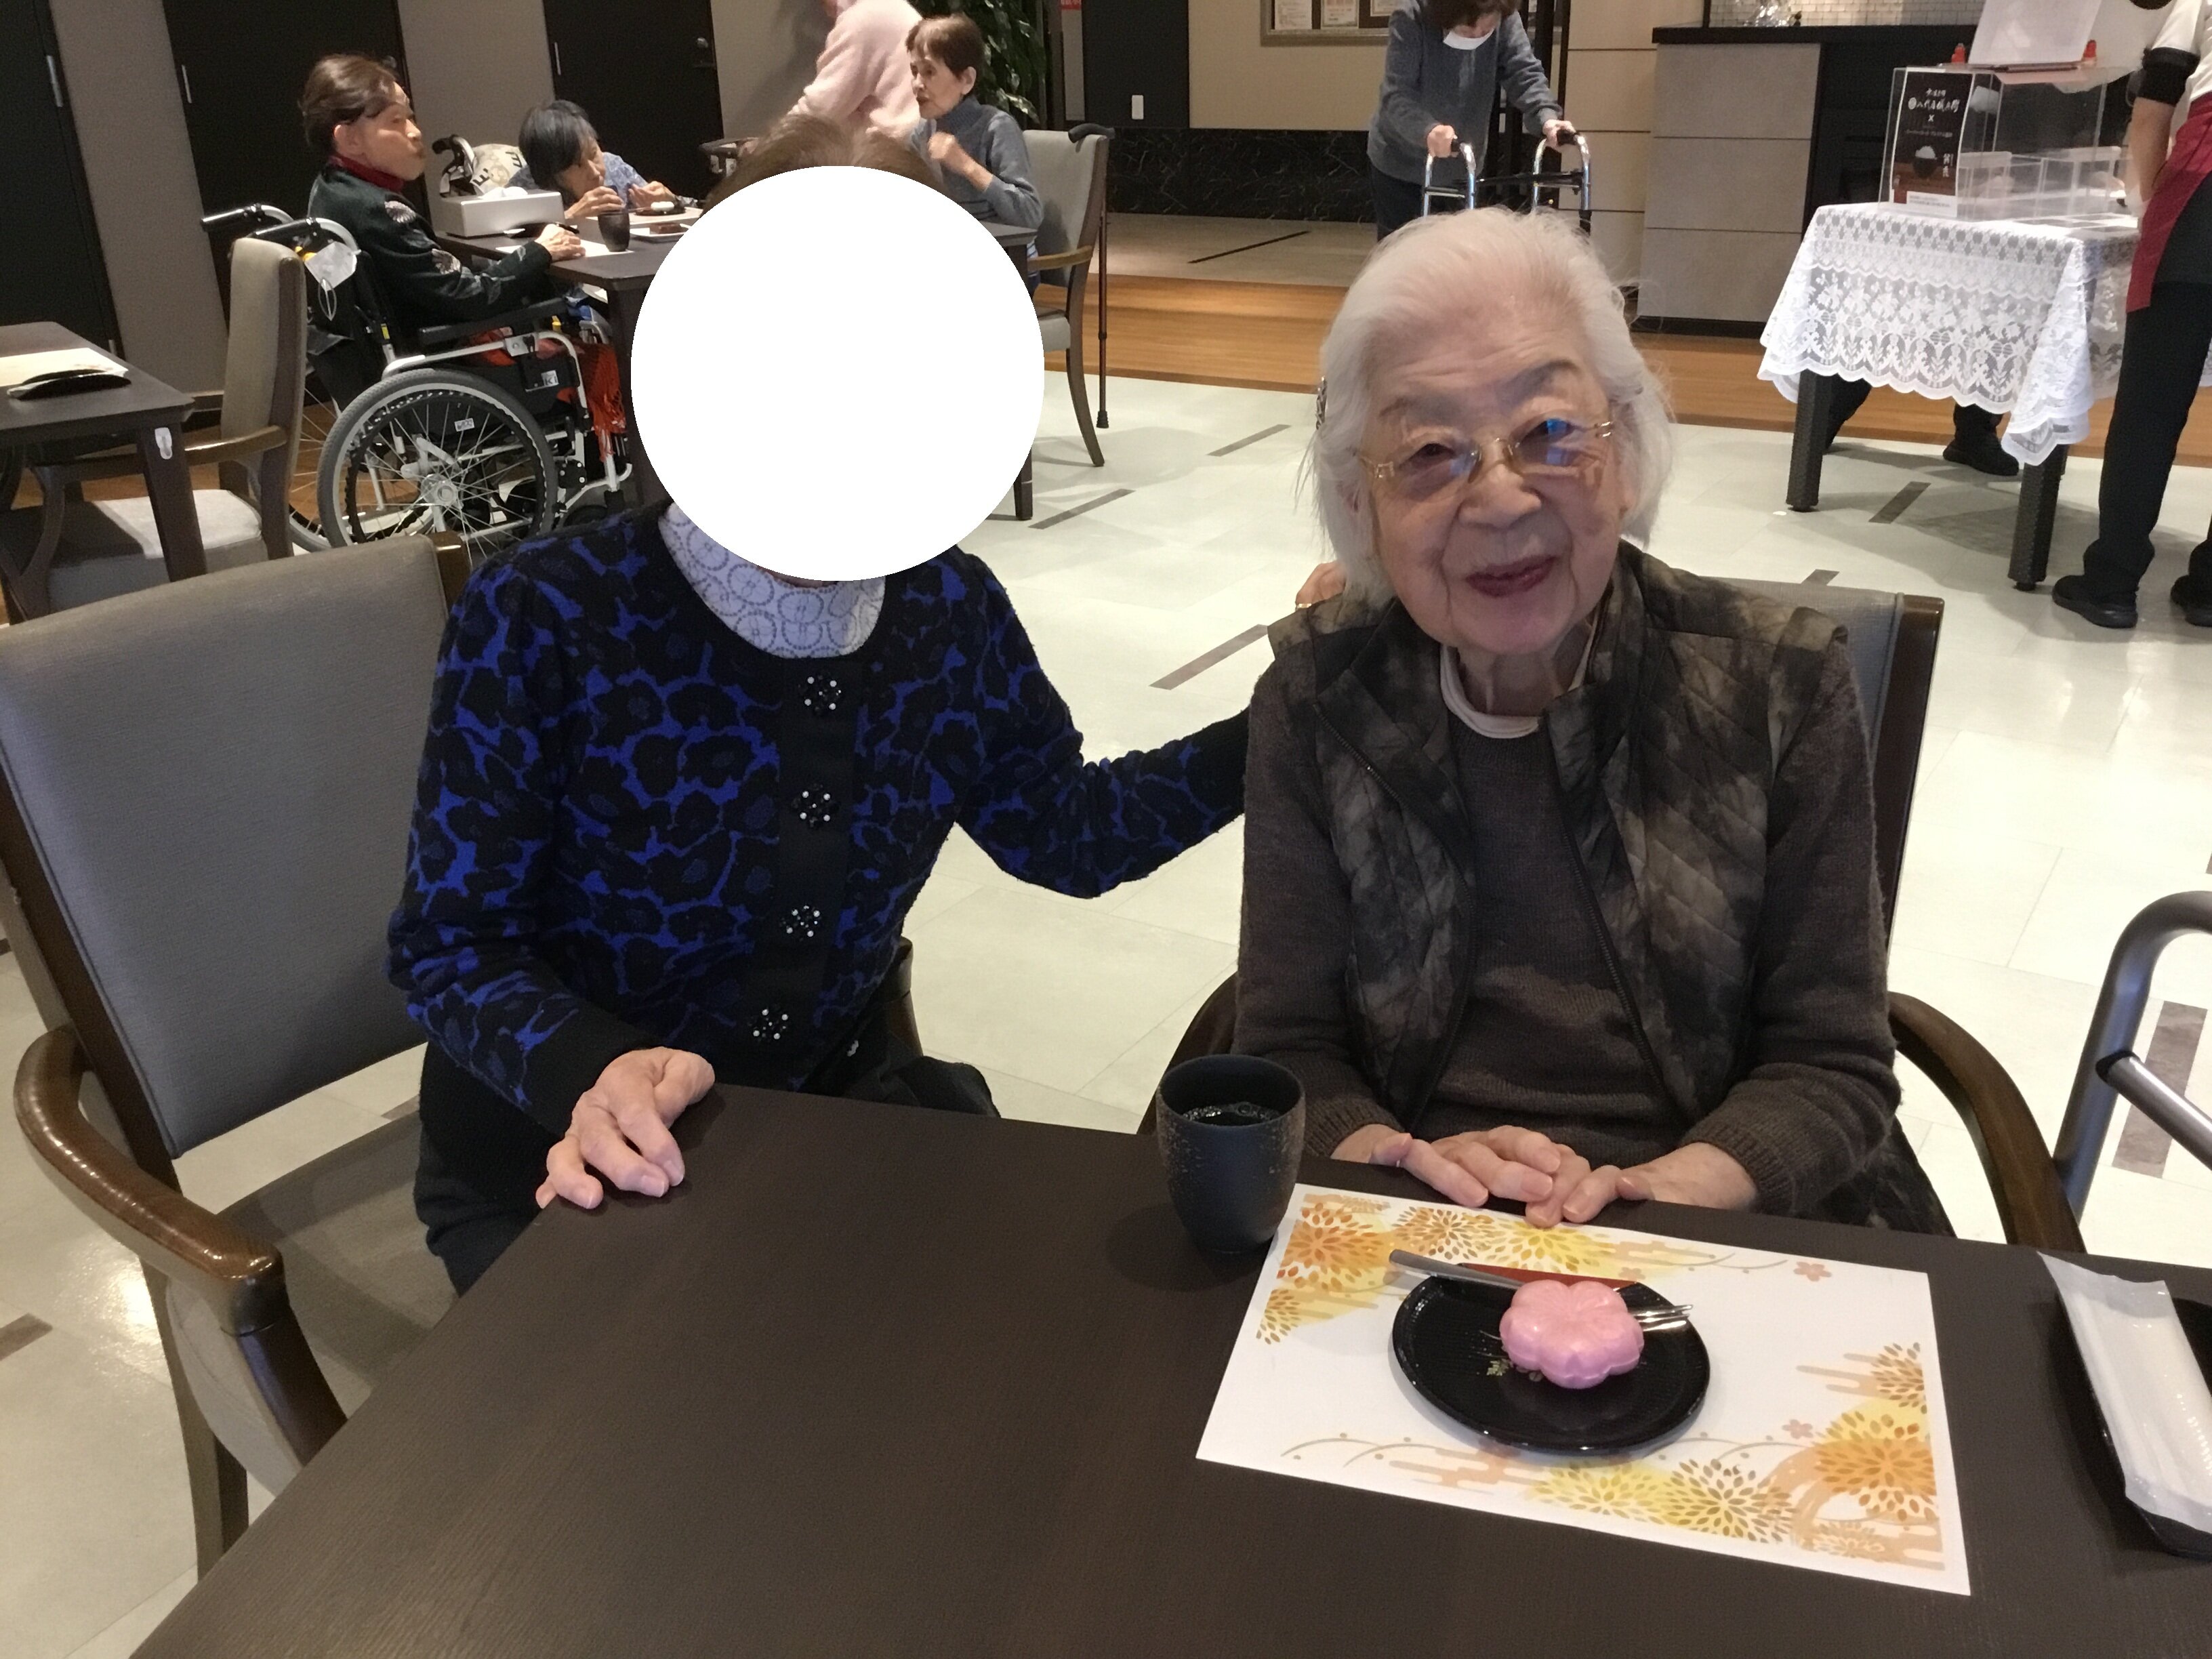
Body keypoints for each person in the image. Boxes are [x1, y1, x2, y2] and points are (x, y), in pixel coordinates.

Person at [388, 116, 1250, 1293]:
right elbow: (451, 944)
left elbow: (1067, 832)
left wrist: (1280, 722)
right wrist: (593, 1068)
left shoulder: (946, 610)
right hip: (562, 1156)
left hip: (817, 1124)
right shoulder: (544, 617)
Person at [1237, 205, 1947, 1234]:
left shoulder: (1779, 685)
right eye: (1430, 450)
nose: (1500, 499)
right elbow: (1286, 1050)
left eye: (1550, 433)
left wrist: (1675, 1190)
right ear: (1361, 504)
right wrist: (1396, 1160)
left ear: (1629, 453)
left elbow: (1830, 1061)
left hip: (1718, 1223)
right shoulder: (1315, 702)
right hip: (1419, 1218)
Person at [2056, 0, 2212, 630]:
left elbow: (2150, 116)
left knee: (2152, 406)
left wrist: (2147, 210)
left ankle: (2112, 583)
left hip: (2204, 197)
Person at [299, 56, 581, 339]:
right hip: (436, 352)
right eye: (396, 120)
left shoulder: (327, 190)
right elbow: (471, 297)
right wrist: (541, 249)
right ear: (350, 139)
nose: (415, 132)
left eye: (410, 117)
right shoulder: (378, 210)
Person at [1366, 0, 1576, 242]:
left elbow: (1524, 73)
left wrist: (1547, 118)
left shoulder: (1504, 15)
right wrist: (1428, 130)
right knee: (1404, 252)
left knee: (1457, 252)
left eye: (1486, 29)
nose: (1477, 35)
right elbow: (1397, 95)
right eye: (1467, 29)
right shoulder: (1412, 15)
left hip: (1462, 166)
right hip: (1401, 163)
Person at [905, 14, 1043, 238]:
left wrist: (966, 165)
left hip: (1005, 253)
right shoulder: (921, 133)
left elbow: (1030, 215)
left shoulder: (996, 127)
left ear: (966, 80)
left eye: (929, 72)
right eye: (914, 72)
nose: (917, 84)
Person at [512, 98, 678, 228]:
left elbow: (690, 208)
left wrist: (671, 202)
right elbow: (505, 254)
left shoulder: (615, 167)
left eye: (593, 154)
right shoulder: (524, 191)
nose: (595, 172)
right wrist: (569, 219)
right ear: (552, 172)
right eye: (578, 165)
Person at [786, 0, 923, 138]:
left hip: (902, 143)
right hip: (915, 135)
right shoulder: (888, 8)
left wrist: (776, 143)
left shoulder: (863, 20)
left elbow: (817, 113)